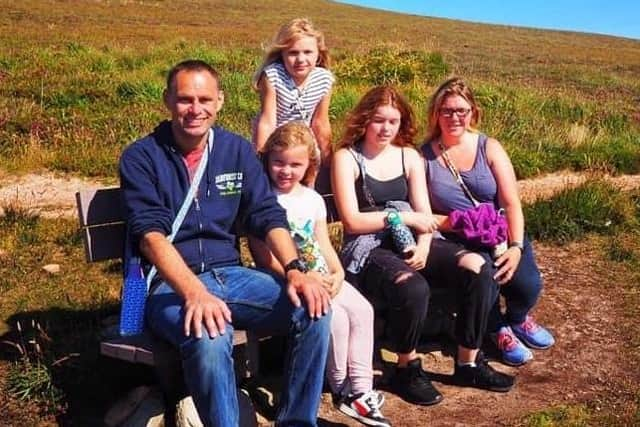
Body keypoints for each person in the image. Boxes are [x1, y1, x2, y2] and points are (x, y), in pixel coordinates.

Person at [119, 59, 332, 427]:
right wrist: (194, 294)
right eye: (185, 99)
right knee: (210, 331)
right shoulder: (142, 157)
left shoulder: (236, 151)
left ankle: (297, 421)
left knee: (314, 307)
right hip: (168, 286)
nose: (195, 109)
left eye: (205, 99)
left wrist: (296, 271)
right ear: (167, 100)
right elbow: (150, 238)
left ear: (220, 101)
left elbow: (267, 215)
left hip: (231, 275)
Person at [332, 86, 514, 407]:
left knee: (477, 267)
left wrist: (426, 244)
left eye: (394, 121)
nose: (386, 129)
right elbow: (352, 221)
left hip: (415, 237)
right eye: (378, 120)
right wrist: (397, 218)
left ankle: (468, 361)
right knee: (412, 286)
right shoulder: (347, 158)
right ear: (365, 120)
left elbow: (424, 213)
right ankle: (406, 368)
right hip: (367, 246)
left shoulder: (408, 156)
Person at [249, 121, 390, 427]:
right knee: (334, 318)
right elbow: (264, 257)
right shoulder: (263, 201)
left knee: (362, 311)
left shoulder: (311, 199)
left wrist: (338, 272)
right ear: (267, 161)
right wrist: (299, 277)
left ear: (308, 165)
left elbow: (322, 241)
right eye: (279, 163)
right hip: (291, 279)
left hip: (324, 273)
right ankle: (341, 389)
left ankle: (362, 390)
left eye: (295, 165)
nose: (286, 171)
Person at [421, 76, 555, 366]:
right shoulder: (424, 157)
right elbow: (422, 213)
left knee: (527, 285)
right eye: (447, 111)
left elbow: (511, 203)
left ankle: (518, 318)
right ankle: (497, 329)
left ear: (472, 113)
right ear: (435, 114)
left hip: (499, 233)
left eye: (461, 111)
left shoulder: (488, 147)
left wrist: (516, 246)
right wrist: (459, 221)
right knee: (485, 279)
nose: (454, 117)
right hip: (458, 236)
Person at [252, 18, 334, 191]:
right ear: (282, 54)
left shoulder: (324, 79)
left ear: (318, 53)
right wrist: (260, 158)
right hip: (277, 140)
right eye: (293, 53)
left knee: (311, 174)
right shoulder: (273, 76)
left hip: (305, 140)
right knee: (272, 182)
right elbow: (268, 121)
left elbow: (320, 122)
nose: (301, 59)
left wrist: (329, 159)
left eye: (308, 52)